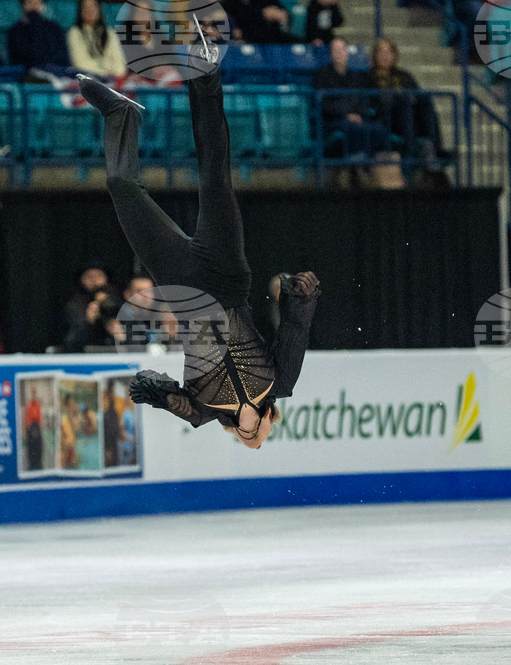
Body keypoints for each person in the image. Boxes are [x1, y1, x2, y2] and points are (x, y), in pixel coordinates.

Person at [76, 31, 321, 450]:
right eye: (262, 435)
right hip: (226, 278)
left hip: (182, 287)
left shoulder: (201, 410)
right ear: (270, 421)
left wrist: (160, 396)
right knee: (213, 174)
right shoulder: (281, 384)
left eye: (250, 440)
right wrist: (299, 294)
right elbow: (295, 329)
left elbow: (152, 385)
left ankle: (122, 115)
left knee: (121, 186)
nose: (258, 441)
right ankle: (203, 69)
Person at [366, 38, 446, 163]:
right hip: (384, 118)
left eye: (388, 52)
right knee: (403, 103)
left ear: (394, 56)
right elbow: (370, 103)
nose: (385, 56)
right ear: (375, 55)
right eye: (381, 52)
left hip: (409, 117)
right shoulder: (368, 77)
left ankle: (436, 149)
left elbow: (417, 95)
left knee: (425, 101)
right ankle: (412, 153)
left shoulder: (404, 76)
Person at [313, 38, 387, 159]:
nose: (339, 53)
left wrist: (358, 114)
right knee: (353, 129)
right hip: (332, 121)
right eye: (335, 50)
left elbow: (361, 100)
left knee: (378, 128)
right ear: (331, 54)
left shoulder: (355, 76)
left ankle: (375, 167)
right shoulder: (322, 75)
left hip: (356, 118)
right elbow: (324, 103)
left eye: (342, 49)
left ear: (347, 52)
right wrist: (346, 114)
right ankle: (357, 166)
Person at [67, 0, 127, 77]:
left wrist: (115, 73)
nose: (89, 10)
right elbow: (80, 64)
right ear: (80, 11)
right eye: (85, 7)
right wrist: (105, 72)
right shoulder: (74, 32)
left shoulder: (110, 32)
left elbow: (120, 64)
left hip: (113, 79)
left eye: (93, 6)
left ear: (99, 9)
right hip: (88, 79)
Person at [7, 0, 71, 71]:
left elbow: (63, 57)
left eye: (37, 3)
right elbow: (27, 57)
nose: (33, 7)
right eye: (29, 3)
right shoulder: (16, 31)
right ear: (23, 5)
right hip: (29, 74)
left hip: (56, 72)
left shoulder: (54, 28)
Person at [223, 0, 293, 44]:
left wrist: (280, 14)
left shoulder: (269, 3)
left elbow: (282, 12)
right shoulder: (235, 4)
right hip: (247, 37)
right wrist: (262, 14)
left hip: (273, 38)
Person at [24, 385, 44, 470]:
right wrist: (28, 429)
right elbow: (27, 418)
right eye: (33, 393)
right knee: (31, 446)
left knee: (38, 446)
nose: (34, 395)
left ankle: (38, 461)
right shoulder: (29, 406)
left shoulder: (38, 405)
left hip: (37, 426)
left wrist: (39, 427)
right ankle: (31, 462)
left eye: (35, 393)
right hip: (31, 427)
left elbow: (40, 417)